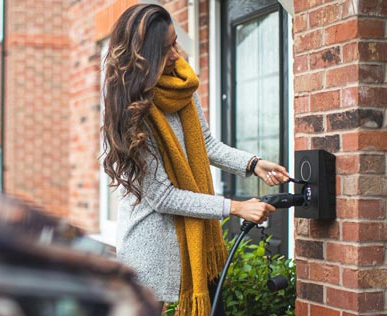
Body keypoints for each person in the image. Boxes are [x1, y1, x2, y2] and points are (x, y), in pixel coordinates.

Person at [101, 4, 290, 316]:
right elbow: (163, 196)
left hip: (193, 242)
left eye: (175, 42)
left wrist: (253, 163)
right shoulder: (132, 113)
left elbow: (206, 145)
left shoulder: (182, 85)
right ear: (143, 58)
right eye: (165, 49)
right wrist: (236, 207)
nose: (176, 54)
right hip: (150, 247)